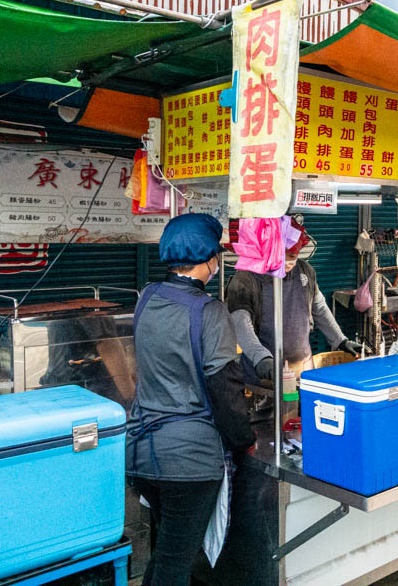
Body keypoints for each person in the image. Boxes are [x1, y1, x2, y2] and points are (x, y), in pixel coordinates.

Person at [126, 213, 255, 586]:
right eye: (217, 253)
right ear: (210, 258)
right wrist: (244, 439)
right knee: (175, 562)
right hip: (188, 462)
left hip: (140, 453)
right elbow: (225, 389)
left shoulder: (146, 297)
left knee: (166, 552)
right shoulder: (210, 311)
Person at [226, 218, 363, 381]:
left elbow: (319, 309)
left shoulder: (305, 271)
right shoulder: (246, 278)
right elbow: (241, 324)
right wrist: (262, 359)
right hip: (264, 373)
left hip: (302, 368)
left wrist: (340, 340)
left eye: (295, 254)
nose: (292, 259)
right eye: (287, 253)